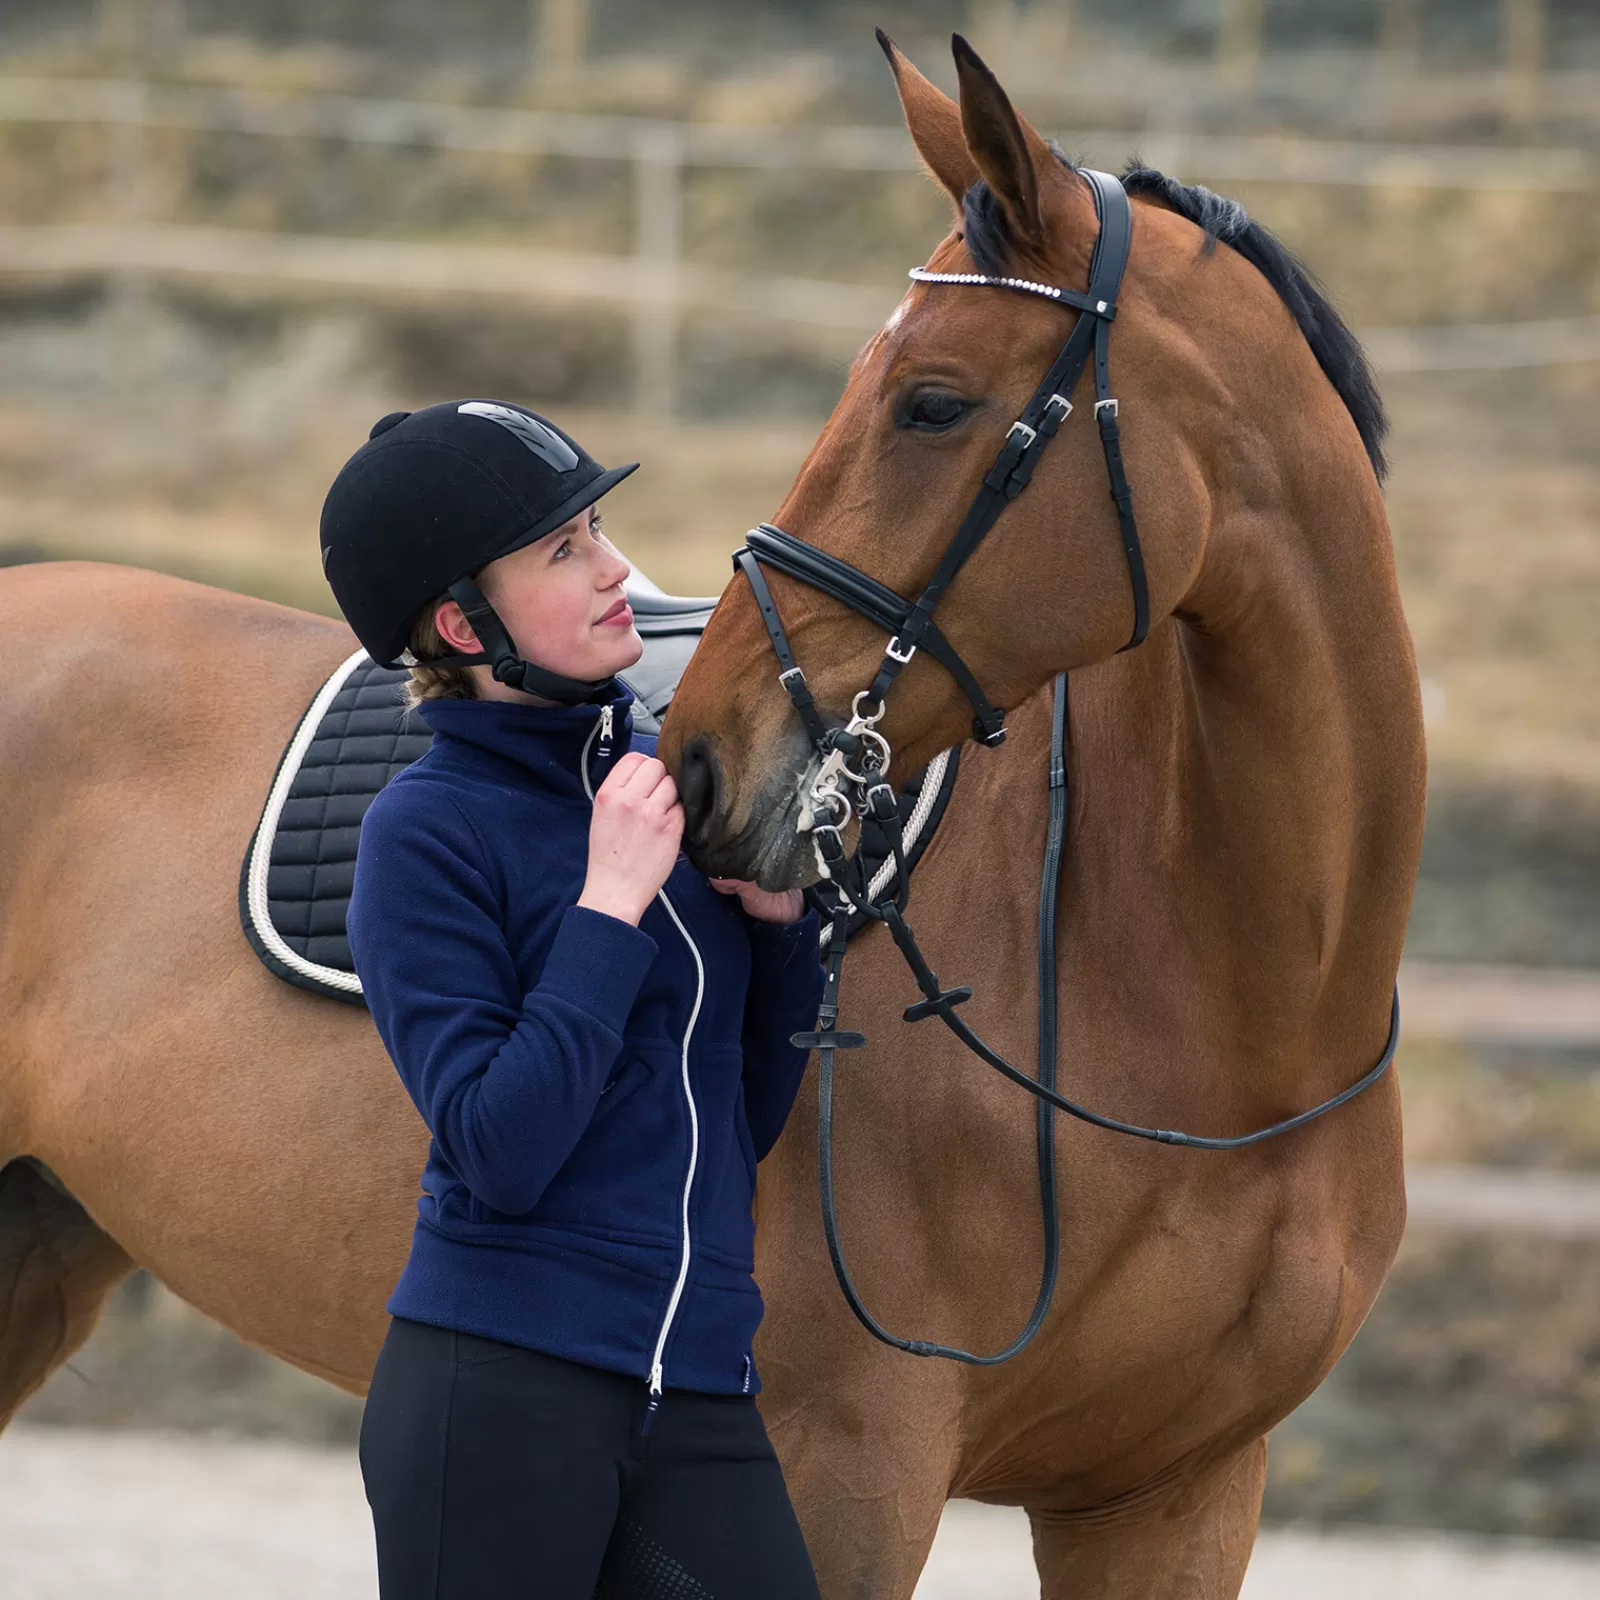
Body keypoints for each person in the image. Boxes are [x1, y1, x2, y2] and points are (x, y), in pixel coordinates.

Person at [320, 399, 825, 1599]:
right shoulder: (424, 833)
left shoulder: (654, 794)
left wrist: (779, 935)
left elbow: (730, 1120)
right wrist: (608, 907)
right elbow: (498, 1147)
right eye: (562, 550)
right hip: (499, 1393)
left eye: (597, 528)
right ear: (461, 621)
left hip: (696, 1382)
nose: (614, 569)